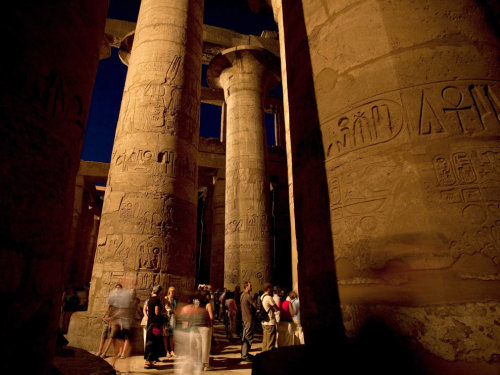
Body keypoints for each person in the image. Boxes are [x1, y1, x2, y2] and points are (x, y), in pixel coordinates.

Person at [144, 285, 163, 369]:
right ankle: (148, 361)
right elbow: (157, 312)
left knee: (150, 340)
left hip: (150, 323)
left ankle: (150, 360)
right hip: (155, 324)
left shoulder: (150, 300)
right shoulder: (157, 301)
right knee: (153, 341)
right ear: (159, 292)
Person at [240, 281, 257, 362]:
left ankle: (245, 353)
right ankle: (244, 355)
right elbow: (255, 305)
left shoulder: (242, 295)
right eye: (250, 286)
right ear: (246, 287)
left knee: (245, 336)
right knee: (248, 337)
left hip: (244, 318)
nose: (251, 287)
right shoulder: (248, 296)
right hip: (248, 319)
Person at [261, 283, 279, 352]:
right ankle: (268, 358)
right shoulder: (269, 297)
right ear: (268, 289)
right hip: (270, 321)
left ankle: (263, 356)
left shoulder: (262, 296)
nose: (272, 290)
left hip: (264, 322)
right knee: (270, 342)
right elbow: (276, 308)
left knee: (265, 342)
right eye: (271, 288)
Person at [163, 286, 177, 359]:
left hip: (172, 318)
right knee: (165, 335)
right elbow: (166, 307)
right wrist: (171, 309)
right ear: (169, 291)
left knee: (171, 335)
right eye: (172, 291)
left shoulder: (174, 300)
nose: (173, 293)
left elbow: (175, 309)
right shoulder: (166, 298)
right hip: (166, 318)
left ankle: (172, 350)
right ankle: (166, 351)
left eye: (174, 291)